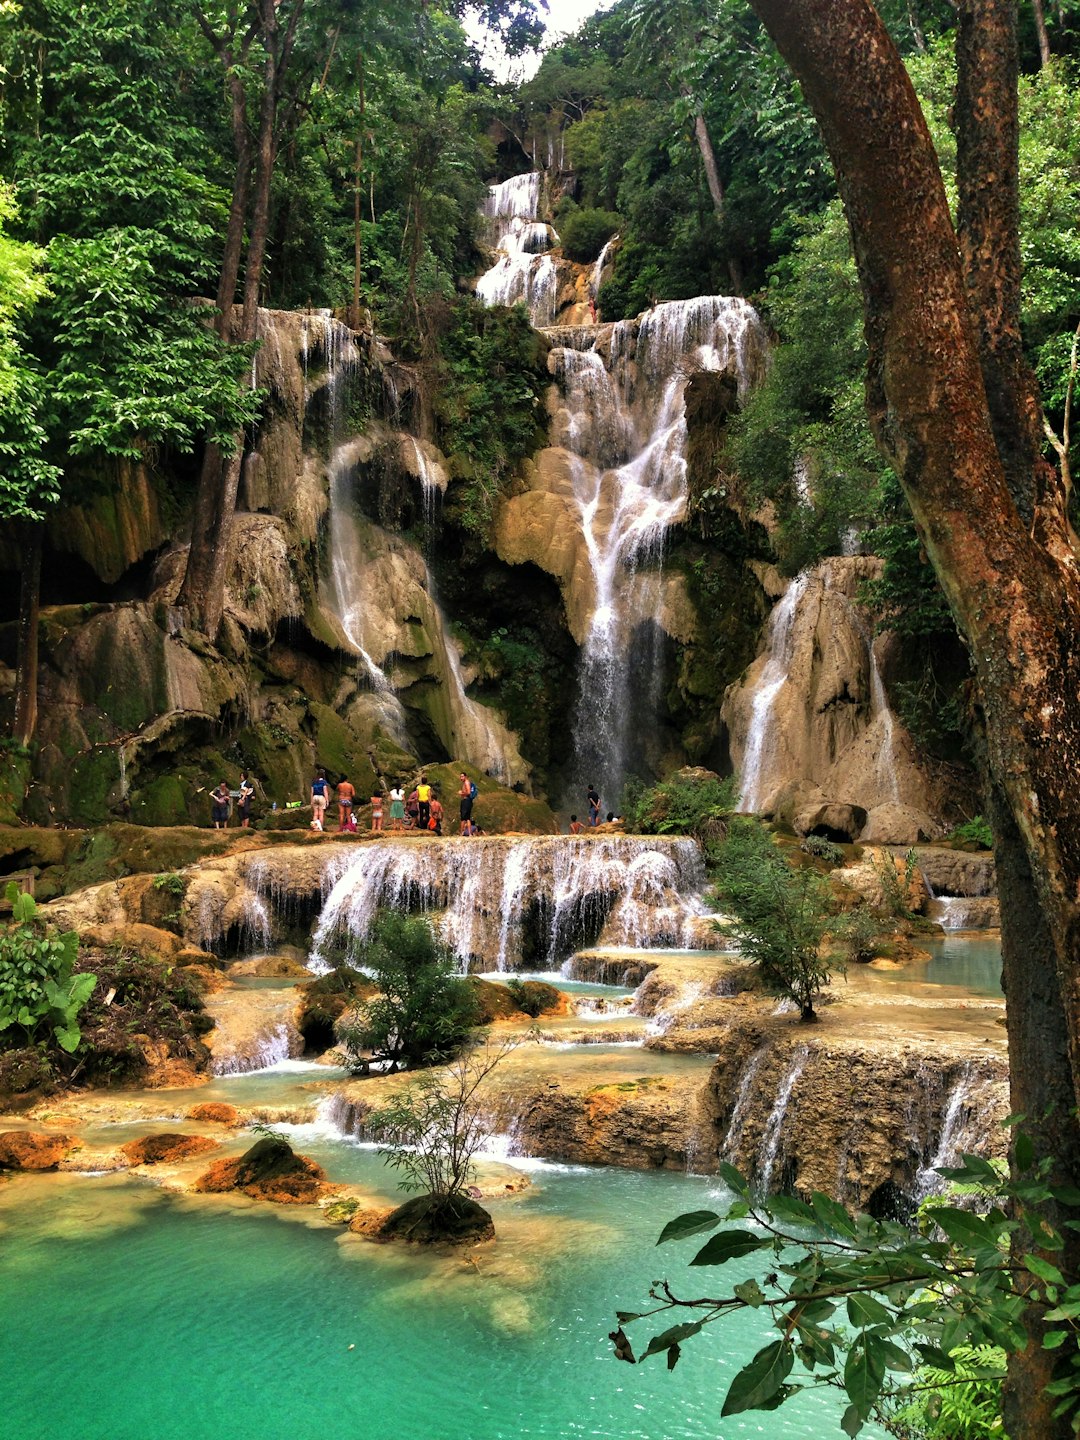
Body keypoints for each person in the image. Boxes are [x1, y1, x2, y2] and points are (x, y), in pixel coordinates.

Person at [459, 772, 476, 836]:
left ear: (465, 776)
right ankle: (469, 833)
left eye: (462, 776)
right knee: (467, 818)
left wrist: (462, 793)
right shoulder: (466, 783)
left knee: (463, 818)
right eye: (460, 777)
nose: (461, 778)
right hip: (468, 801)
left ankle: (461, 833)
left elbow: (468, 792)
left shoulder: (466, 782)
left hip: (466, 801)